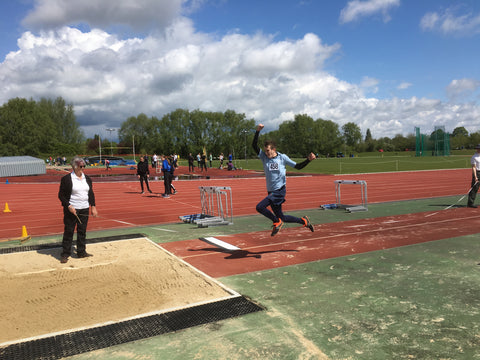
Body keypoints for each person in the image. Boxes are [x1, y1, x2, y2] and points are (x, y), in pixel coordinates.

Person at [253, 123, 316, 236]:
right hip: (271, 191)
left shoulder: (282, 158)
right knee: (282, 217)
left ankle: (276, 222)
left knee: (260, 207)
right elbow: (254, 145)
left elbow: (298, 166)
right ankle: (304, 221)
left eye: (268, 151)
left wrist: (308, 160)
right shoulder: (264, 158)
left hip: (279, 191)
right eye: (265, 151)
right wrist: (258, 131)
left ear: (274, 149)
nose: (266, 153)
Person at [58, 156, 98, 263]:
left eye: (84, 166)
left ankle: (81, 252)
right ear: (74, 167)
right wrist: (68, 205)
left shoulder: (87, 179)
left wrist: (93, 206)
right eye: (81, 166)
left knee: (82, 231)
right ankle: (65, 253)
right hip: (72, 209)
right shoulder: (66, 179)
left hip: (84, 208)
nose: (83, 168)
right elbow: (61, 195)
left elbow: (90, 193)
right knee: (69, 231)